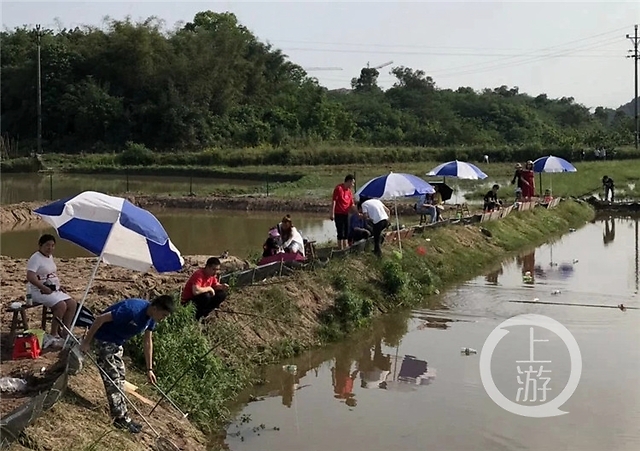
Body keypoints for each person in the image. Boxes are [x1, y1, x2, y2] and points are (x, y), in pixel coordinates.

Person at [79, 295, 176, 433]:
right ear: (155, 309)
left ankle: (124, 416)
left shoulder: (150, 318)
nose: (163, 318)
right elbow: (99, 319)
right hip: (103, 340)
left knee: (120, 378)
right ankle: (119, 419)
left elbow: (148, 341)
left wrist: (149, 369)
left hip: (117, 344)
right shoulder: (132, 310)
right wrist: (86, 342)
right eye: (164, 315)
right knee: (113, 380)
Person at [26, 234, 78, 339]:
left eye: (52, 245)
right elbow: (30, 277)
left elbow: (52, 274)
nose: (50, 248)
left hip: (52, 289)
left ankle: (65, 331)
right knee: (61, 305)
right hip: (39, 291)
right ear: (40, 245)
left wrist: (59, 286)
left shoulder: (49, 257)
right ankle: (53, 333)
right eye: (47, 245)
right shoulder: (35, 258)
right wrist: (43, 287)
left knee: (72, 304)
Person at [331, 174, 355, 250]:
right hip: (338, 213)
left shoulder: (349, 192)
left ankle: (346, 247)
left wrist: (358, 213)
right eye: (352, 183)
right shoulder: (339, 189)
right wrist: (332, 213)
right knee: (340, 231)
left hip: (346, 213)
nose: (353, 185)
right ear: (349, 181)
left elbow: (352, 204)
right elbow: (334, 201)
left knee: (347, 231)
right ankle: (340, 248)